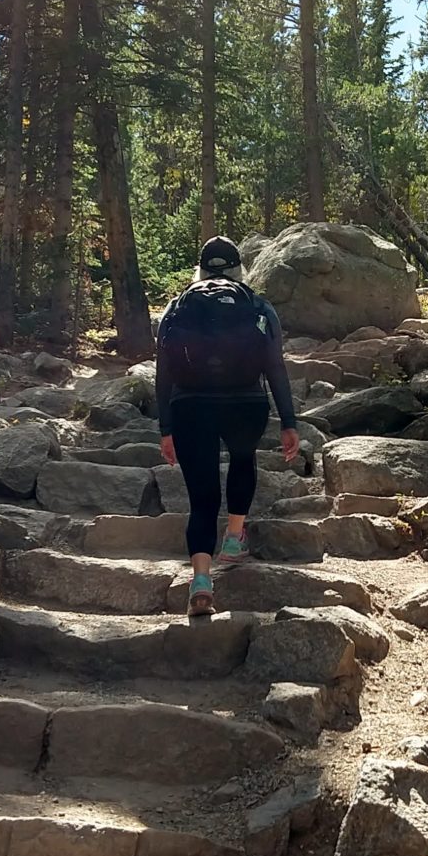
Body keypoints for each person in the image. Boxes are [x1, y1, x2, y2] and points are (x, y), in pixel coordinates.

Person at [155, 235, 300, 617]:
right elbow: (275, 366)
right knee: (242, 457)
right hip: (245, 402)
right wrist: (288, 421)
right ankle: (234, 537)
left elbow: (164, 369)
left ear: (200, 269)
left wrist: (165, 427)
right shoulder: (257, 304)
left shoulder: (178, 305)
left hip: (190, 405)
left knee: (202, 499)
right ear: (239, 268)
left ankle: (201, 581)